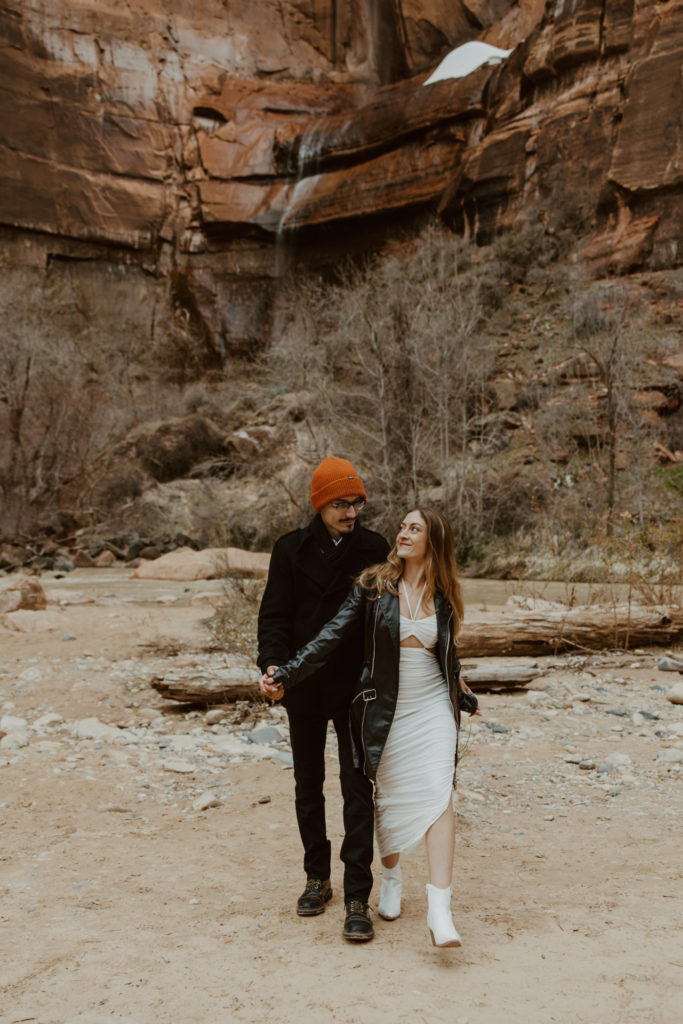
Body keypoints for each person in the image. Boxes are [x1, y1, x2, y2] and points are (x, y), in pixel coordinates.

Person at [261, 507, 479, 948]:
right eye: (402, 526)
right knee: (389, 795)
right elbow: (330, 635)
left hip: (434, 705)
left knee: (440, 794)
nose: (401, 533)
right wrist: (287, 671)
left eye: (413, 529)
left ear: (432, 541)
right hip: (387, 704)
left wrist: (459, 682)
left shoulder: (445, 593)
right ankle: (390, 876)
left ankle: (440, 912)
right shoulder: (375, 585)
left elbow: (447, 650)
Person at [257, 456, 389, 942]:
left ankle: (358, 893)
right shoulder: (289, 550)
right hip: (304, 688)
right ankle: (317, 878)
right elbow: (273, 617)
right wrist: (271, 668)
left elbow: (385, 623)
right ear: (320, 503)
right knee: (307, 785)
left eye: (357, 503)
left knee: (358, 789)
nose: (351, 512)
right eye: (341, 503)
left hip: (355, 688)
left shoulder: (375, 548)